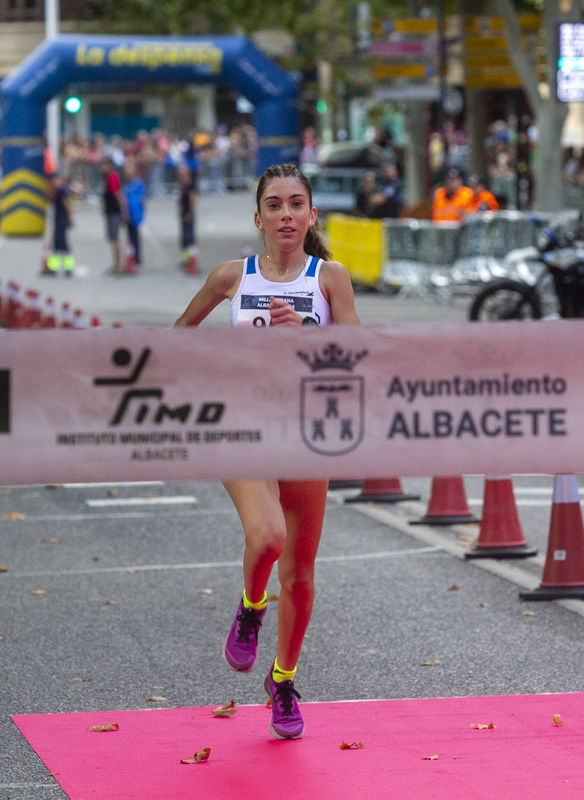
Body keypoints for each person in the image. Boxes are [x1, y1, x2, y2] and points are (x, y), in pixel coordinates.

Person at [173, 163, 361, 741]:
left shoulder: (331, 279)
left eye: (296, 204)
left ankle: (282, 682)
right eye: (274, 205)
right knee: (269, 536)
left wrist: (303, 338)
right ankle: (251, 608)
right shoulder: (233, 276)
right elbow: (174, 342)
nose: (286, 214)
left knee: (300, 573)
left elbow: (358, 357)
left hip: (306, 434)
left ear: (310, 216)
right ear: (258, 218)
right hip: (242, 426)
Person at [47, 172, 75, 276]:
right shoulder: (57, 191)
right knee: (56, 245)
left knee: (62, 244)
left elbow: (66, 205)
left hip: (61, 220)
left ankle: (68, 268)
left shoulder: (62, 191)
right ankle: (54, 268)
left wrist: (69, 218)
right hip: (58, 220)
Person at [102, 157, 125, 274]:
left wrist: (122, 209)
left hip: (113, 212)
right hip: (111, 211)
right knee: (113, 239)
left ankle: (118, 266)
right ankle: (116, 265)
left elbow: (117, 193)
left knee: (115, 240)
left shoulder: (111, 176)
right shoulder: (109, 177)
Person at [123, 162, 146, 271]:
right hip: (128, 214)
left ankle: (136, 259)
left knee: (135, 237)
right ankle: (131, 258)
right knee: (130, 237)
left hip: (135, 213)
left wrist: (141, 213)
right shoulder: (126, 185)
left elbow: (142, 199)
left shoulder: (138, 184)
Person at [178, 164, 199, 272]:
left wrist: (190, 212)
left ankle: (192, 260)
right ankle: (186, 260)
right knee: (184, 239)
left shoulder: (190, 186)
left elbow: (192, 199)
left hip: (188, 215)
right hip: (183, 215)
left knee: (190, 238)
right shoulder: (183, 185)